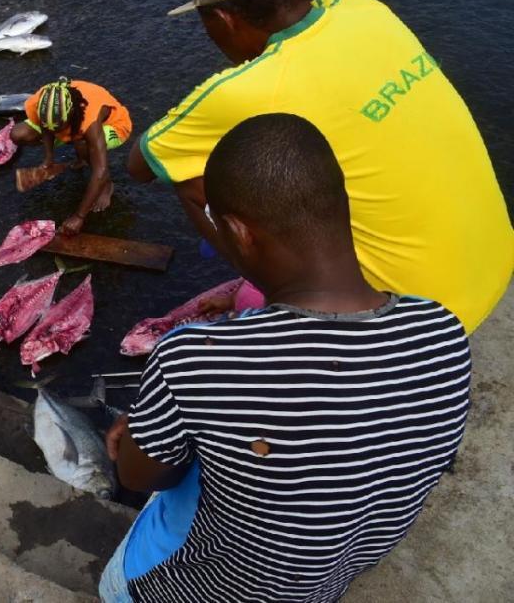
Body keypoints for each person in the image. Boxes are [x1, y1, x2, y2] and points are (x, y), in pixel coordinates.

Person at [101, 113, 471, 603]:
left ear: (239, 231)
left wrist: (143, 430)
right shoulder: (442, 332)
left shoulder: (194, 358)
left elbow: (138, 475)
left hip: (195, 588)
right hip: (325, 583)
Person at [128, 0, 512, 333]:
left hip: (422, 320)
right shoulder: (359, 5)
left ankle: (297, 311)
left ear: (223, 18)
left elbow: (141, 163)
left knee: (187, 173)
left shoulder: (246, 90)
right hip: (494, 262)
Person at [11, 77, 133, 235]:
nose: (55, 133)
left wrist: (79, 216)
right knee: (19, 133)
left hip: (115, 126)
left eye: (59, 128)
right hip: (73, 125)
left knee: (84, 145)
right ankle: (82, 156)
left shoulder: (90, 119)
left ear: (71, 114)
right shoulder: (42, 100)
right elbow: (46, 126)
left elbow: (100, 170)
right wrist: (49, 158)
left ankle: (107, 185)